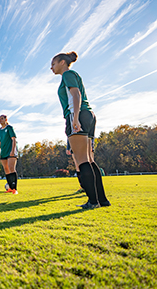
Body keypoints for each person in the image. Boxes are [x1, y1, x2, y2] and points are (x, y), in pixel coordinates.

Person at [51, 51, 110, 209]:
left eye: (54, 64)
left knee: (82, 159)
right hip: (88, 115)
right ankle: (102, 200)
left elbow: (75, 95)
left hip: (78, 115)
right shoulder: (72, 74)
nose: (51, 67)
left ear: (62, 62)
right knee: (89, 159)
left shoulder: (67, 74)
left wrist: (75, 118)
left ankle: (92, 201)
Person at [0, 115, 19, 195]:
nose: (0, 120)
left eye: (2, 119)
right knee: (6, 169)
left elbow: (14, 139)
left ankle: (15, 189)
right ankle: (10, 187)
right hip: (3, 152)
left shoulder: (9, 128)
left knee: (11, 168)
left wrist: (12, 151)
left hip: (10, 151)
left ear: (6, 119)